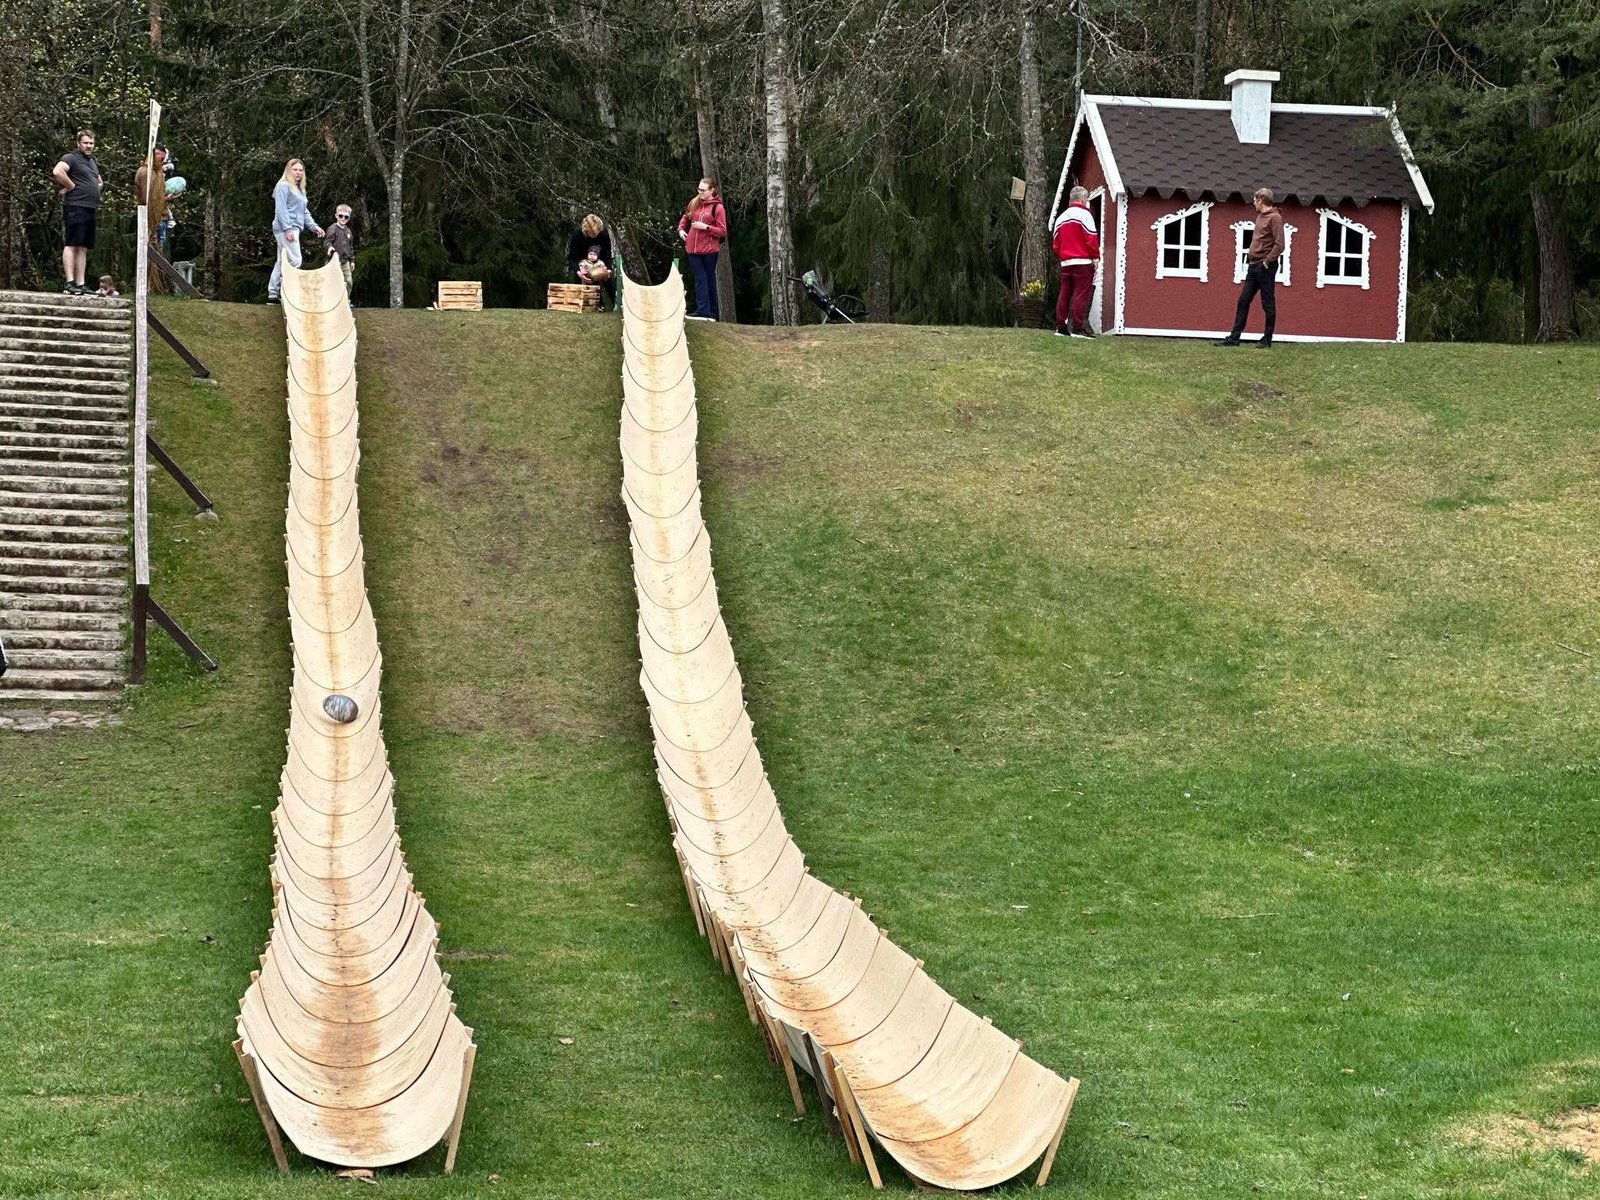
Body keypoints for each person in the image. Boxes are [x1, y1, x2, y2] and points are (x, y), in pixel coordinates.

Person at [1217, 188, 1284, 349]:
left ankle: (1267, 339)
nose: (1253, 203)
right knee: (1243, 301)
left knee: (1267, 303)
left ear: (1261, 200)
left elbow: (1280, 245)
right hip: (1253, 267)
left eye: (1255, 200)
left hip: (1265, 267)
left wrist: (1267, 262)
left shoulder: (1275, 218)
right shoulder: (1260, 216)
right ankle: (1234, 338)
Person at [51, 130, 103, 295]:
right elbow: (58, 171)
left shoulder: (92, 161)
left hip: (90, 207)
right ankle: (70, 282)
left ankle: (81, 284)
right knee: (72, 244)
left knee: (83, 247)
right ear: (78, 143)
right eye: (85, 143)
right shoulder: (71, 157)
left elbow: (99, 182)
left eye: (91, 143)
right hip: (75, 206)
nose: (89, 146)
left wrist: (94, 189)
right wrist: (71, 186)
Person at [267, 158, 324, 303]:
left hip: (294, 227)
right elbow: (280, 209)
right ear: (289, 170)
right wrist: (287, 229)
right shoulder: (283, 186)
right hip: (286, 228)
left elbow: (304, 211)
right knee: (295, 260)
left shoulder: (299, 189)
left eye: (300, 170)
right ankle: (287, 293)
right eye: (295, 170)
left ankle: (273, 294)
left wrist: (314, 226)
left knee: (281, 261)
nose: (298, 172)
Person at [1051, 186, 1100, 338]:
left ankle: (1060, 326)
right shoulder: (1085, 215)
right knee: (1080, 293)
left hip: (1066, 262)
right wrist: (1095, 257)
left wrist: (1062, 256)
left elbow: (1056, 244)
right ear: (1083, 199)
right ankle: (1077, 328)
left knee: (1064, 293)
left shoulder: (1061, 218)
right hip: (1083, 261)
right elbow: (1091, 239)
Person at [677, 178, 727, 321]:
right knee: (701, 278)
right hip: (693, 249)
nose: (700, 192)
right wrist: (681, 230)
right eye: (699, 189)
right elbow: (685, 218)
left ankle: (711, 313)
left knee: (709, 279)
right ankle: (703, 311)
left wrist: (706, 227)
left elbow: (722, 231)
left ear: (711, 191)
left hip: (710, 251)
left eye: (703, 190)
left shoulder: (718, 208)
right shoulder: (694, 203)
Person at [133, 147, 169, 292]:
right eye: (161, 157)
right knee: (149, 251)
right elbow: (146, 198)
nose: (163, 161)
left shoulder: (156, 173)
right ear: (154, 155)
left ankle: (150, 285)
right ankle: (144, 285)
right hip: (149, 218)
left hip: (159, 217)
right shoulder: (145, 173)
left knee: (156, 249)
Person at [566, 214, 615, 310]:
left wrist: (608, 269)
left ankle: (615, 304)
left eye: (596, 233)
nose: (594, 236)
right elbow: (573, 258)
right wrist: (579, 272)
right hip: (582, 265)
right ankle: (589, 306)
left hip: (600, 263)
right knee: (582, 284)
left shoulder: (603, 234)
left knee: (608, 280)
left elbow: (607, 254)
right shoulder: (577, 235)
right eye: (592, 233)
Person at [326, 204, 356, 298]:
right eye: (341, 216)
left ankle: (345, 299)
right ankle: (332, 300)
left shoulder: (348, 231)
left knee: (348, 281)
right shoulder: (333, 228)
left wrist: (352, 260)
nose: (343, 218)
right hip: (334, 261)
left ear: (349, 218)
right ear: (336, 216)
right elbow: (327, 242)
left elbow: (350, 247)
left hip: (345, 261)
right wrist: (329, 248)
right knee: (333, 281)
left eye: (346, 217)